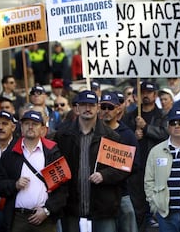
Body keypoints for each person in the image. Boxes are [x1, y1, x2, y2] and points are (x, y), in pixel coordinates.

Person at [53, 90, 131, 232]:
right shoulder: (63, 135)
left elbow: (123, 168)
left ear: (97, 108)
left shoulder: (111, 136)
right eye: (83, 105)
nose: (87, 109)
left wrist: (104, 175)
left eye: (91, 105)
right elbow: (54, 166)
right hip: (70, 206)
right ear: (76, 108)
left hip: (103, 207)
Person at [0, 110, 67, 232]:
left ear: (43, 129)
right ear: (21, 127)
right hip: (18, 218)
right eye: (27, 123)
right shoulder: (10, 153)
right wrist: (14, 185)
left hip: (45, 219)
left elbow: (62, 187)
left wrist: (47, 210)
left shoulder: (52, 152)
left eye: (35, 124)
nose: (30, 127)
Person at [123, 81, 169, 232]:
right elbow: (123, 136)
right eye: (142, 92)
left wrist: (146, 128)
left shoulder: (162, 115)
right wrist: (133, 134)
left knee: (156, 205)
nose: (146, 95)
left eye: (149, 92)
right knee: (138, 207)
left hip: (156, 167)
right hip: (136, 167)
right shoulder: (131, 116)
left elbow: (166, 134)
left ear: (155, 95)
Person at [99, 92, 140, 232]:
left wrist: (112, 173)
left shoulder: (127, 134)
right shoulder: (94, 132)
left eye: (109, 108)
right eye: (103, 107)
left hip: (122, 193)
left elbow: (135, 165)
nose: (106, 111)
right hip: (100, 196)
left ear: (118, 109)